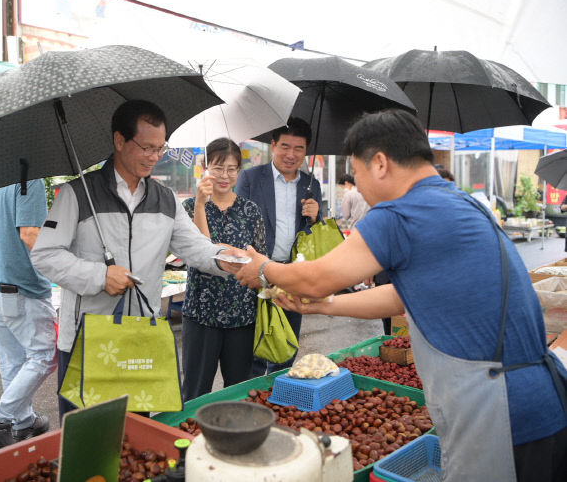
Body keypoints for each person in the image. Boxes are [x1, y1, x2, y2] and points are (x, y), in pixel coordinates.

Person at [228, 109, 567, 482]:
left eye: (355, 174)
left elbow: (318, 277)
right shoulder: (459, 202)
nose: (357, 186)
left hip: (497, 409)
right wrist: (328, 306)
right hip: (536, 400)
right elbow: (402, 296)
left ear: (380, 163)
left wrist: (261, 267)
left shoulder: (403, 213)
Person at [30, 100, 235, 418]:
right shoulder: (77, 195)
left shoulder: (164, 199)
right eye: (146, 148)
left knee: (138, 440)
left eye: (160, 148)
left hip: (141, 336)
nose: (154, 157)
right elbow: (45, 255)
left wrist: (225, 258)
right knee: (87, 443)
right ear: (119, 140)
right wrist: (100, 276)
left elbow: (194, 246)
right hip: (87, 341)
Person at [0, 179, 57, 448]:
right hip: (21, 286)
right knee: (47, 354)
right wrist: (65, 271)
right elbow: (30, 234)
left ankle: (23, 423)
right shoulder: (29, 179)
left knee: (13, 363)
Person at [180, 138, 266, 401]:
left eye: (232, 169)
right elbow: (199, 253)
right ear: (205, 167)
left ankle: (235, 441)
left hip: (242, 316)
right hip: (201, 315)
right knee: (195, 393)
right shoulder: (186, 208)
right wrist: (199, 204)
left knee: (239, 393)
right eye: (218, 168)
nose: (225, 176)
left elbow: (260, 261)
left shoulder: (250, 211)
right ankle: (188, 439)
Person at [236, 117, 322, 376]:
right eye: (285, 146)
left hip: (293, 274)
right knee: (254, 346)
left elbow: (316, 238)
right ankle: (251, 402)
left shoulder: (311, 185)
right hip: (258, 272)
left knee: (286, 345)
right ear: (273, 145)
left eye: (298, 148)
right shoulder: (251, 178)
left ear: (306, 151)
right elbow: (238, 224)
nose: (291, 154)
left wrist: (316, 217)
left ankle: (278, 396)